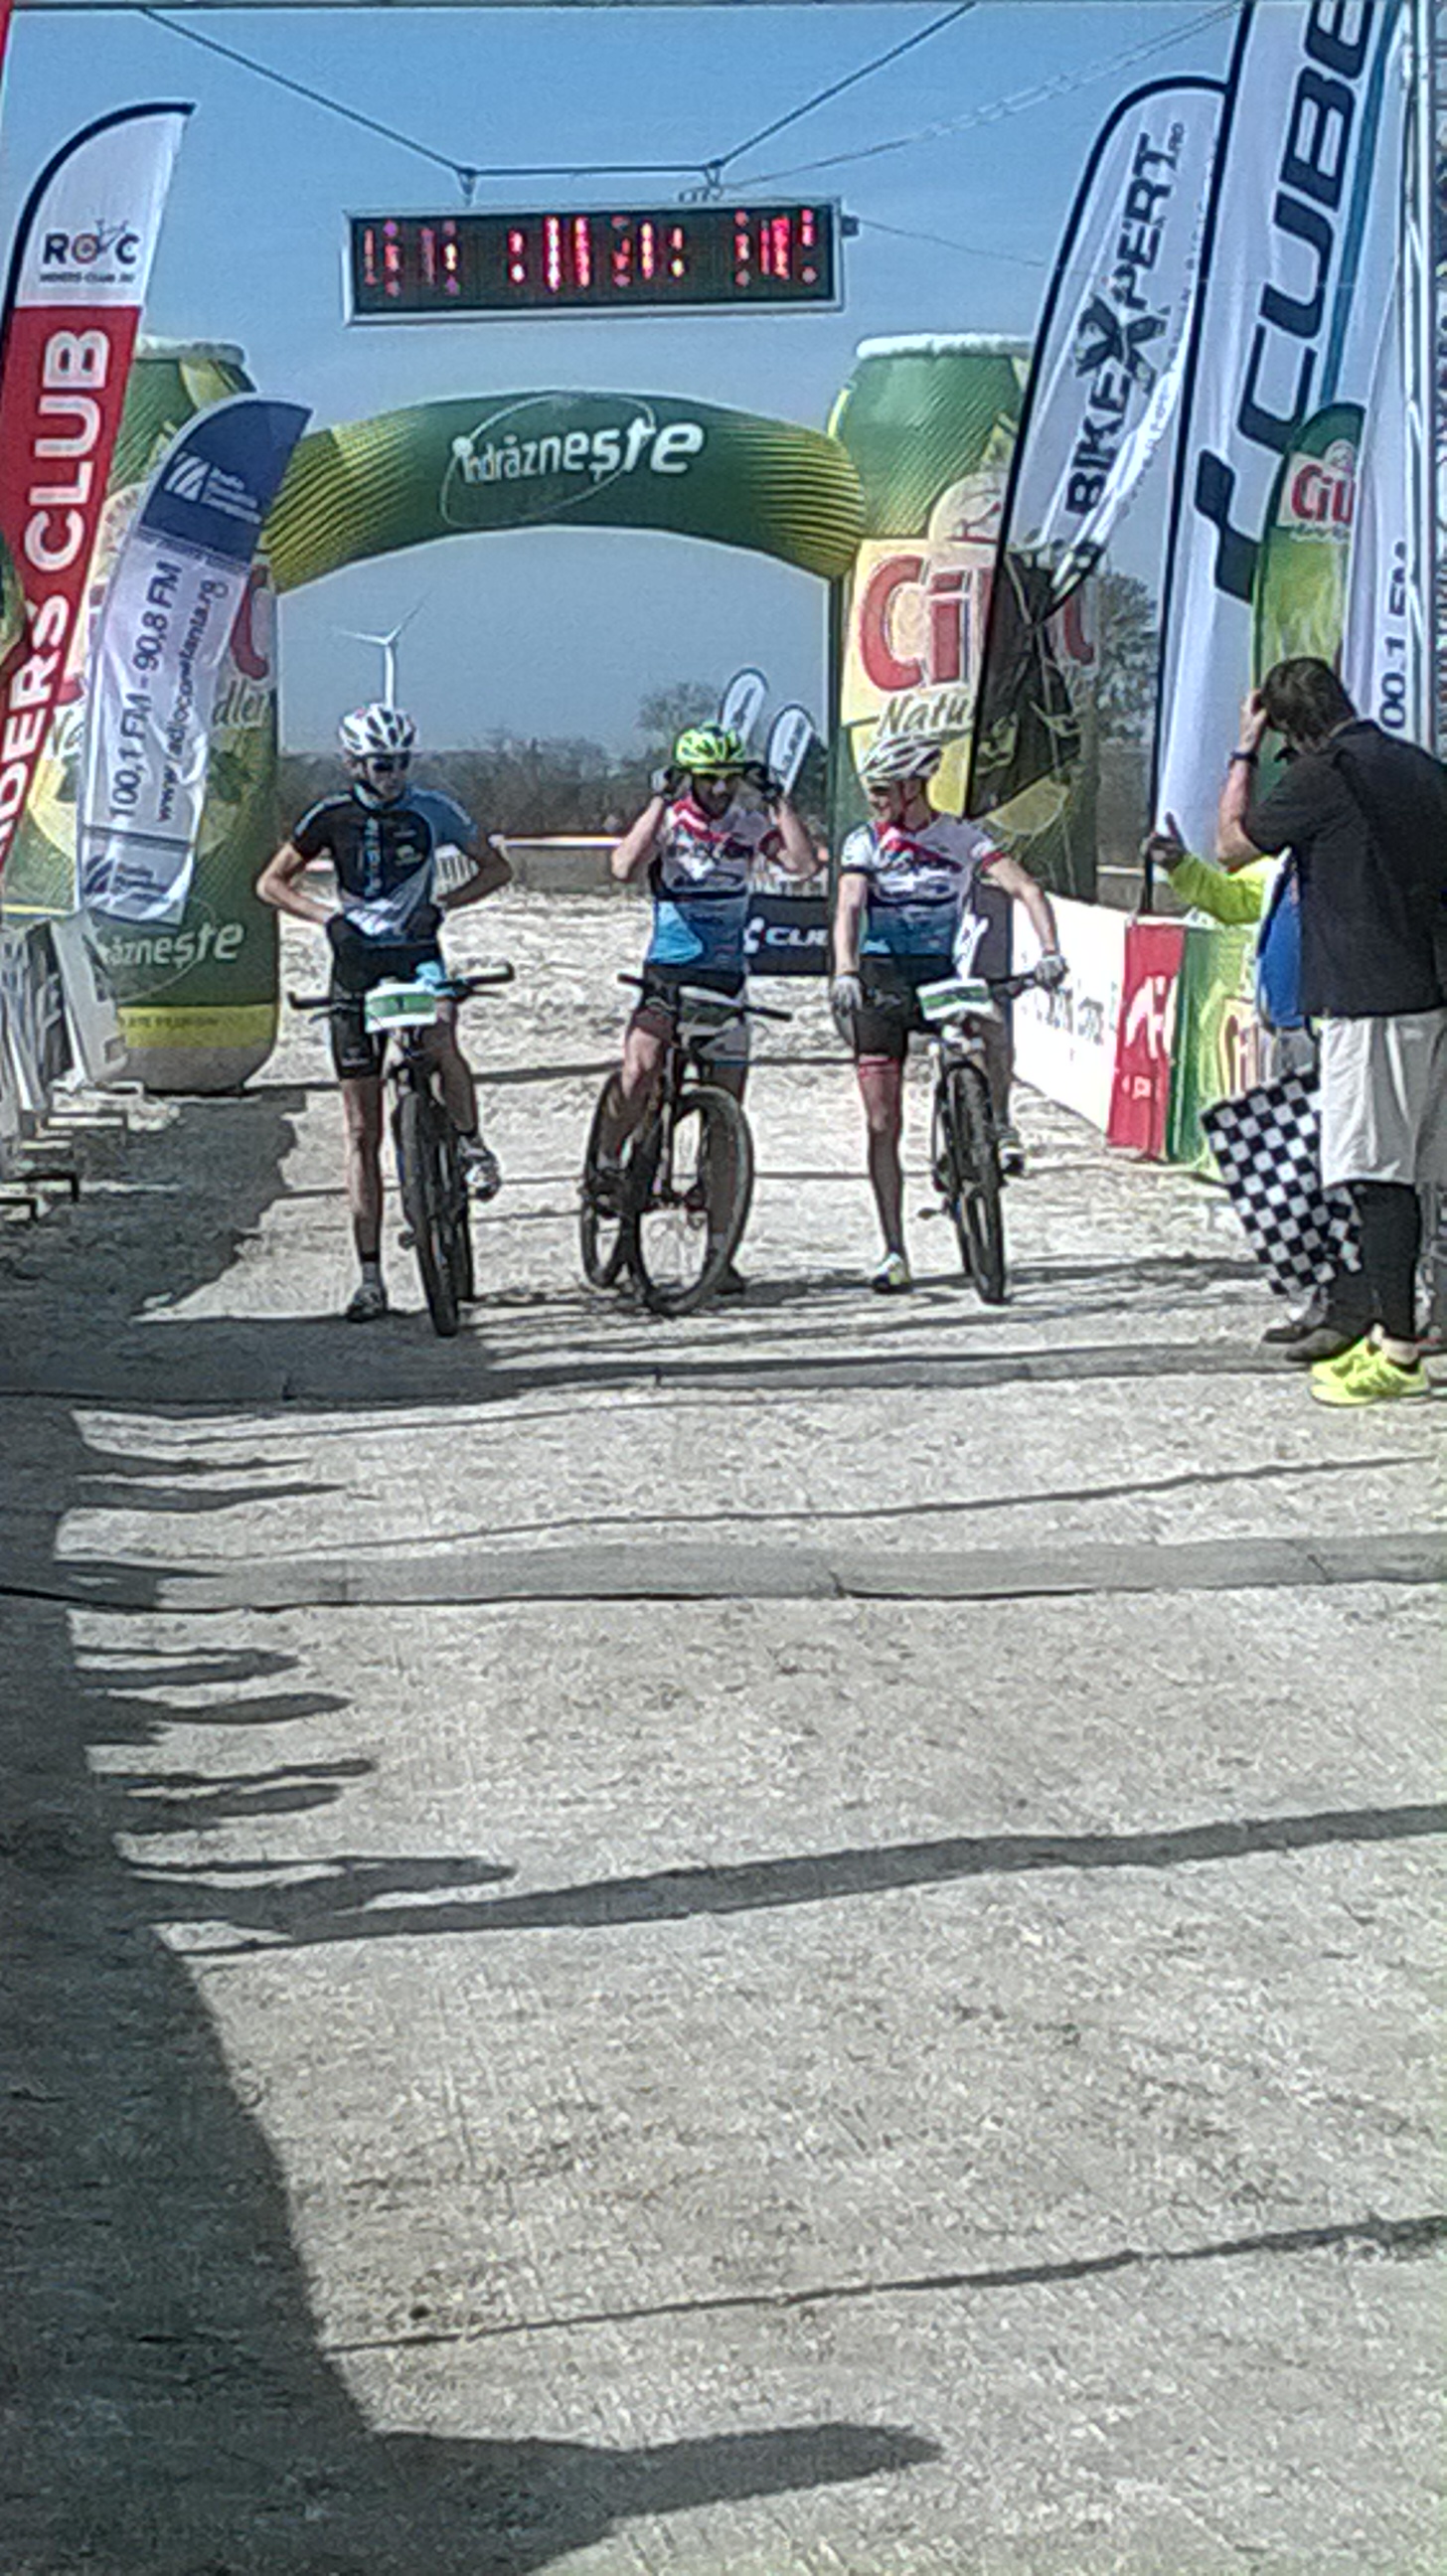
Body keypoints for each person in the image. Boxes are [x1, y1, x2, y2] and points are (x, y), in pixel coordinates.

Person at [1218, 657, 1447, 1404]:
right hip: (1428, 988)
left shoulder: (1324, 774)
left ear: (1292, 728)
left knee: (1376, 1176)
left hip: (1368, 996)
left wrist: (1245, 748)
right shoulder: (1418, 765)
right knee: (1413, 1174)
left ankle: (1397, 1351)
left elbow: (1230, 847)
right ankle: (1394, 1333)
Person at [257, 704, 511, 1323]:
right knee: (361, 1131)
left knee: (442, 1034)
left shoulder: (434, 810)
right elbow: (271, 883)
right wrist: (328, 919)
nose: (393, 774)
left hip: (417, 955)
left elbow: (496, 867)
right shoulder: (329, 816)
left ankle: (471, 1144)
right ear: (353, 764)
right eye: (380, 764)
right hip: (355, 965)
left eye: (400, 762)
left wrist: (443, 905)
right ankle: (370, 1277)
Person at [830, 733, 1066, 1292]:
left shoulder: (961, 837)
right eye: (872, 790)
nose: (875, 800)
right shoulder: (865, 840)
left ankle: (998, 1124)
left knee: (991, 1024)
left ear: (914, 787)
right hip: (883, 980)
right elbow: (849, 905)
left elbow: (1025, 888)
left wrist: (1051, 951)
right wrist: (845, 970)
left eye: (884, 789)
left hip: (939, 973)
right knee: (882, 1123)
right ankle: (894, 1250)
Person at [596, 722, 818, 1290]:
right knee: (640, 1068)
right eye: (708, 778)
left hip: (725, 981)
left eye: (729, 778)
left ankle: (720, 1254)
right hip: (667, 974)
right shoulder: (671, 822)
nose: (720, 789)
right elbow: (622, 868)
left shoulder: (748, 826)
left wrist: (777, 800)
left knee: (726, 1120)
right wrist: (658, 800)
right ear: (689, 778)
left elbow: (803, 866)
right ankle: (607, 1163)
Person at [1142, 813, 1369, 1360]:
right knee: (1297, 1181)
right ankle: (1318, 1301)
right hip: (1284, 1033)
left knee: (1338, 1180)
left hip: (1327, 1032)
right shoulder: (1282, 865)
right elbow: (1229, 899)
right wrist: (1181, 866)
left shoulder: (1344, 866)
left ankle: (1354, 1305)